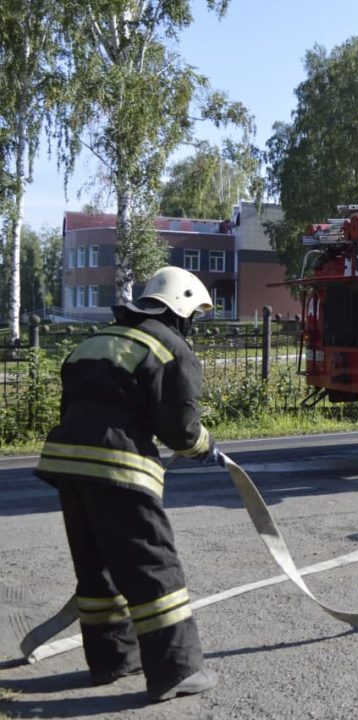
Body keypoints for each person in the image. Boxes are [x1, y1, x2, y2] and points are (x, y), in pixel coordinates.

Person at [34, 266, 220, 702]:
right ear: (182, 307)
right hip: (119, 470)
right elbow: (179, 429)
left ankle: (112, 659)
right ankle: (176, 671)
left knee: (97, 570)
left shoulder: (96, 340)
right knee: (153, 568)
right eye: (193, 314)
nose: (192, 324)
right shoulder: (170, 347)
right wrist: (204, 445)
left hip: (67, 466)